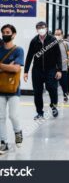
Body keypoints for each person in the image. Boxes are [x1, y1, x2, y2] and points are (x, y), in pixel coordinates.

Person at [24, 22, 62, 120]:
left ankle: (54, 106)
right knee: (37, 92)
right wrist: (26, 71)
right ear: (36, 29)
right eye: (39, 28)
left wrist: (59, 70)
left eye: (42, 27)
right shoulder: (34, 41)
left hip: (51, 69)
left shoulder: (52, 40)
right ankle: (40, 112)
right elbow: (29, 57)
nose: (41, 29)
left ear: (46, 28)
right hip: (37, 70)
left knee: (52, 88)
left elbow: (58, 56)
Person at [0, 24, 24, 154]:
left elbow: (16, 68)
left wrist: (1, 66)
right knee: (0, 117)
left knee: (13, 115)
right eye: (3, 32)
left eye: (8, 32)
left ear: (14, 34)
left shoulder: (18, 50)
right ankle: (3, 143)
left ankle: (18, 131)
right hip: (0, 88)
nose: (5, 34)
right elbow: (11, 67)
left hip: (13, 88)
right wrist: (7, 66)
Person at [54, 29, 69, 102]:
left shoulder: (65, 44)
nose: (57, 36)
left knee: (64, 83)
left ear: (62, 35)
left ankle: (65, 95)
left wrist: (68, 59)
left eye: (59, 34)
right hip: (54, 68)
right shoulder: (51, 44)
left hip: (63, 67)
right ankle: (54, 98)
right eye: (56, 34)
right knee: (53, 84)